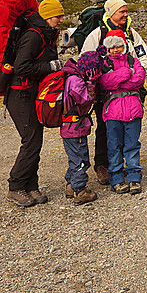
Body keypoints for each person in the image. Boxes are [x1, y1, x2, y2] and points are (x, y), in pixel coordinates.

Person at [81, 0, 147, 186]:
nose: (126, 14)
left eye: (126, 11)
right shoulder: (96, 35)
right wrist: (126, 76)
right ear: (111, 13)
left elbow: (145, 57)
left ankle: (125, 167)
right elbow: (85, 61)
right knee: (106, 130)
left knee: (129, 130)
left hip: (132, 95)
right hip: (106, 96)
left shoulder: (131, 33)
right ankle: (103, 166)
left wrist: (137, 75)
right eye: (122, 11)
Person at [6, 0, 63, 207]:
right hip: (19, 94)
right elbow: (21, 67)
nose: (61, 20)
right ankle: (15, 187)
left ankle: (31, 186)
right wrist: (51, 67)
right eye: (58, 16)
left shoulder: (46, 34)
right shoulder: (33, 36)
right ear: (47, 16)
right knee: (31, 139)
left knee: (34, 139)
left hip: (31, 93)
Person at [99, 30, 146, 194]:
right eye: (111, 47)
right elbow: (105, 82)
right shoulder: (104, 64)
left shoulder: (133, 60)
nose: (115, 50)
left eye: (118, 46)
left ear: (124, 45)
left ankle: (134, 177)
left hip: (133, 110)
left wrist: (117, 81)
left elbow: (139, 80)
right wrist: (126, 73)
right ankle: (117, 178)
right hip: (113, 113)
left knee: (132, 145)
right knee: (114, 146)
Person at [60, 48, 105, 206]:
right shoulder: (77, 80)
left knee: (74, 157)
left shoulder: (73, 77)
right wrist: (91, 85)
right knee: (81, 159)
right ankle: (80, 191)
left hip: (70, 126)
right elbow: (83, 100)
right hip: (75, 127)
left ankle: (71, 186)